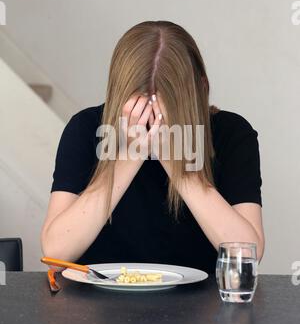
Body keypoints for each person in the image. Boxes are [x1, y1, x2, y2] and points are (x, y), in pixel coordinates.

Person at [41, 21, 265, 273]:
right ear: (118, 95)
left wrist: (176, 162)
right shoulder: (85, 128)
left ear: (201, 89)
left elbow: (247, 254)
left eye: (166, 111)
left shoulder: (231, 133)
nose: (151, 123)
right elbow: (55, 251)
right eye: (140, 108)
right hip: (98, 304)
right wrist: (129, 156)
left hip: (201, 304)